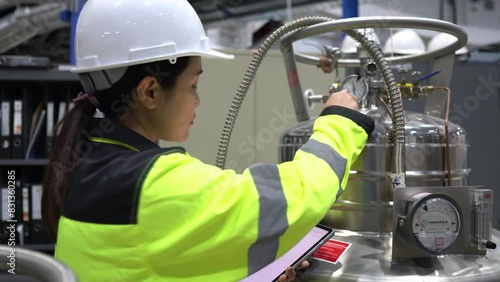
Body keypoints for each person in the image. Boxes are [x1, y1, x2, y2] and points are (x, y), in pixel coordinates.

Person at [41, 0, 374, 281]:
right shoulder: (154, 184)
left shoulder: (90, 160)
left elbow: (152, 267)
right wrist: (339, 122)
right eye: (193, 85)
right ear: (150, 91)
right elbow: (295, 198)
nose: (198, 101)